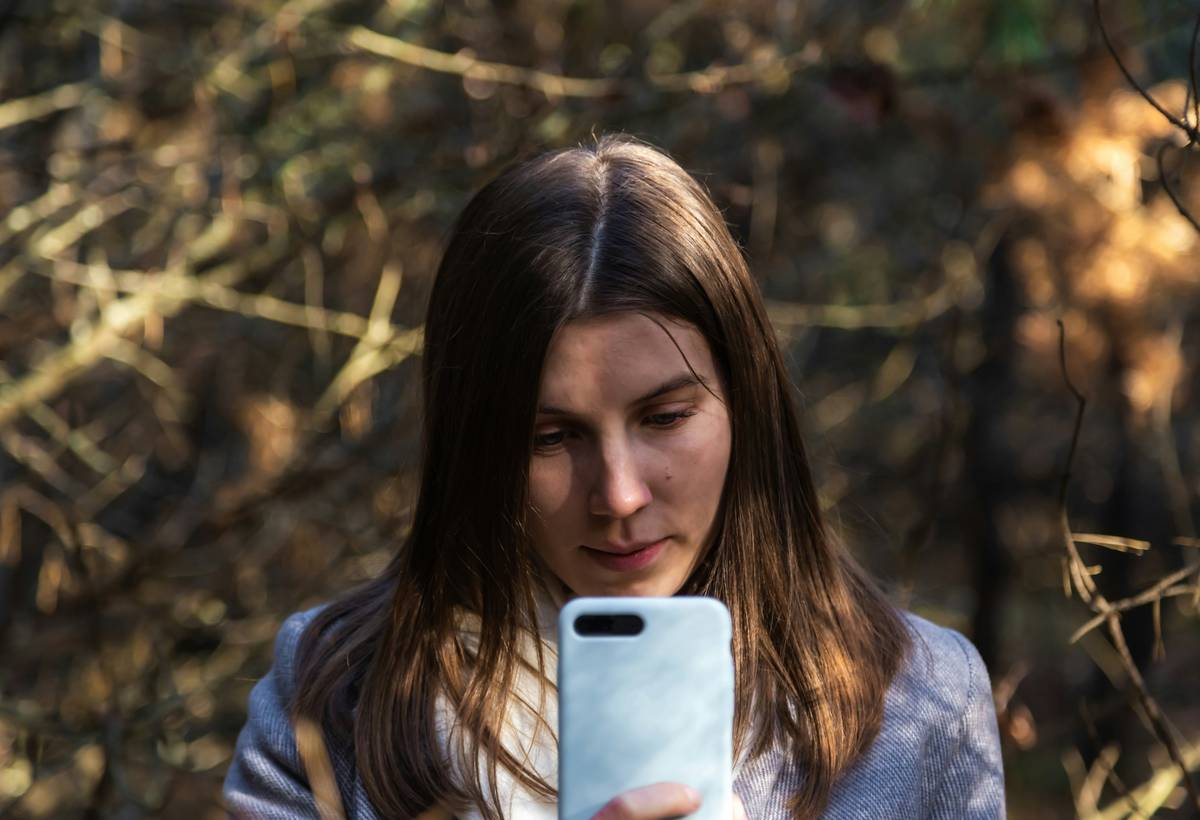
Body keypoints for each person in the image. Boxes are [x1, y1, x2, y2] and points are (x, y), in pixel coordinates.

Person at [224, 135, 1005, 819]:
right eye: (552, 436)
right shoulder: (337, 692)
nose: (620, 495)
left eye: (665, 419)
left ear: (747, 405)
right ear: (478, 448)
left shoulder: (919, 698)